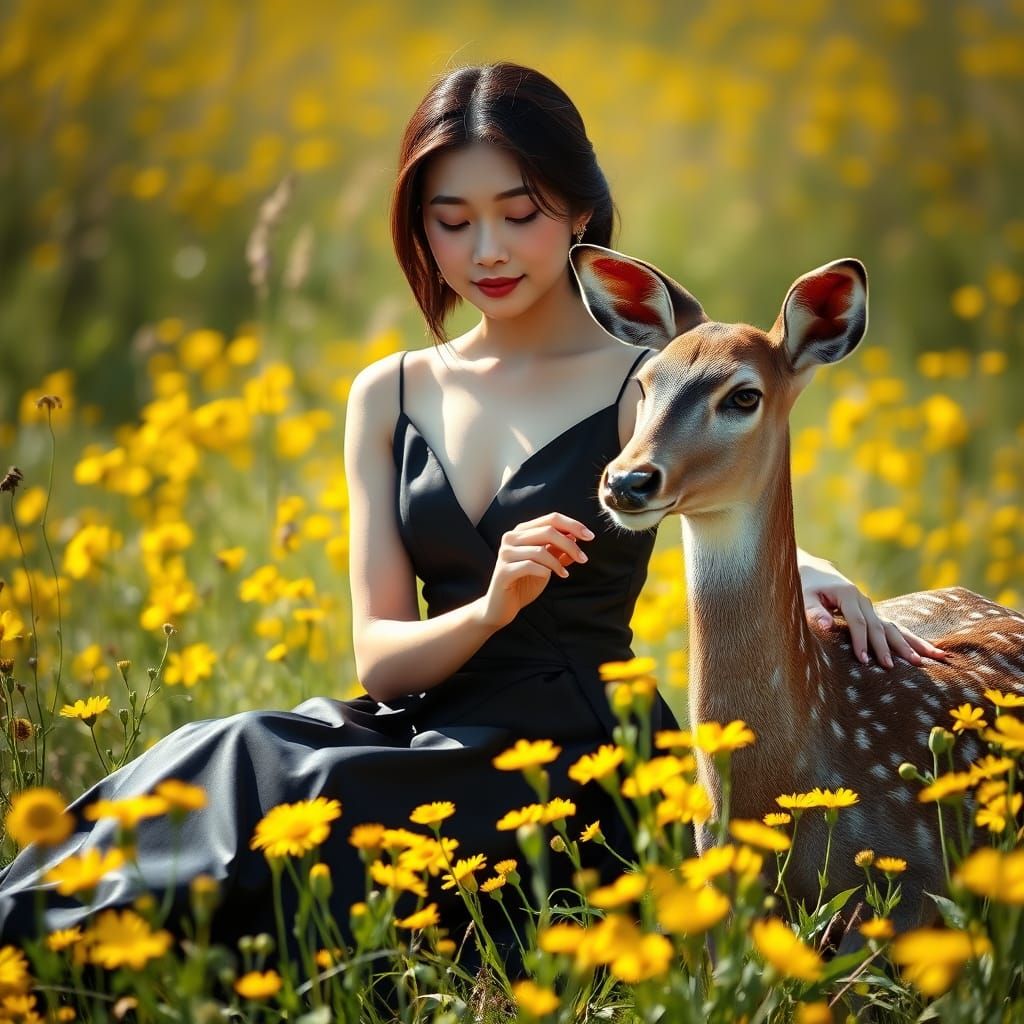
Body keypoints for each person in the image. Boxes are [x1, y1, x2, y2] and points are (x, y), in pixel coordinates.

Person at [0, 62, 943, 955]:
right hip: (418, 732)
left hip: (568, 767)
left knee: (293, 822)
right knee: (222, 757)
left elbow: (712, 480)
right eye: (450, 221)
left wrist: (820, 574)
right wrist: (492, 607)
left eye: (520, 215)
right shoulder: (389, 394)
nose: (485, 251)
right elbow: (379, 656)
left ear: (580, 216)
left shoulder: (642, 382)